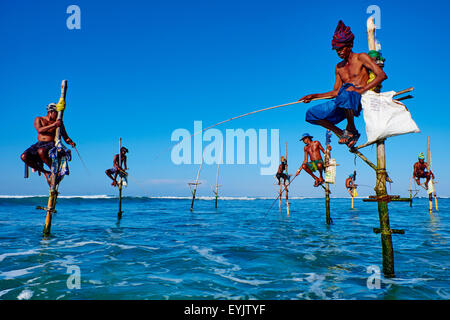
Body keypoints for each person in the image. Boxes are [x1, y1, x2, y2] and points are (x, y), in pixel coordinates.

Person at [300, 20, 387, 148]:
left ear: (350, 45)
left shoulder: (361, 57)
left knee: (347, 89)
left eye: (341, 48)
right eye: (336, 49)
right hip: (343, 100)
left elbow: (381, 75)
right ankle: (342, 133)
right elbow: (335, 92)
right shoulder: (339, 67)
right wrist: (313, 96)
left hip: (357, 98)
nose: (339, 52)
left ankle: (351, 128)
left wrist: (362, 89)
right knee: (310, 114)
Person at [21, 103, 76, 185]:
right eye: (56, 113)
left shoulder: (59, 123)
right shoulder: (39, 119)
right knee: (24, 156)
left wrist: (70, 142)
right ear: (51, 112)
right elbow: (40, 130)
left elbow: (66, 137)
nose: (57, 116)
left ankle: (54, 170)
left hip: (50, 144)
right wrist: (54, 125)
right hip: (39, 144)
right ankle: (46, 172)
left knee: (41, 151)